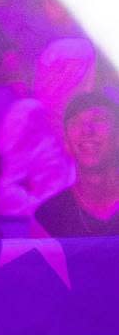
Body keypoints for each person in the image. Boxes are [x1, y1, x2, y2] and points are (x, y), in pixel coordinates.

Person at [0, 38, 95, 217]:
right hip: (37, 227)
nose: (90, 85)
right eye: (83, 74)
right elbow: (4, 189)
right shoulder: (29, 113)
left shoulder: (92, 120)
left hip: (84, 227)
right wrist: (49, 212)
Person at [34, 91, 119, 237]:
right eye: (76, 122)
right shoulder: (48, 216)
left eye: (98, 119)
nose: (87, 130)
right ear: (66, 143)